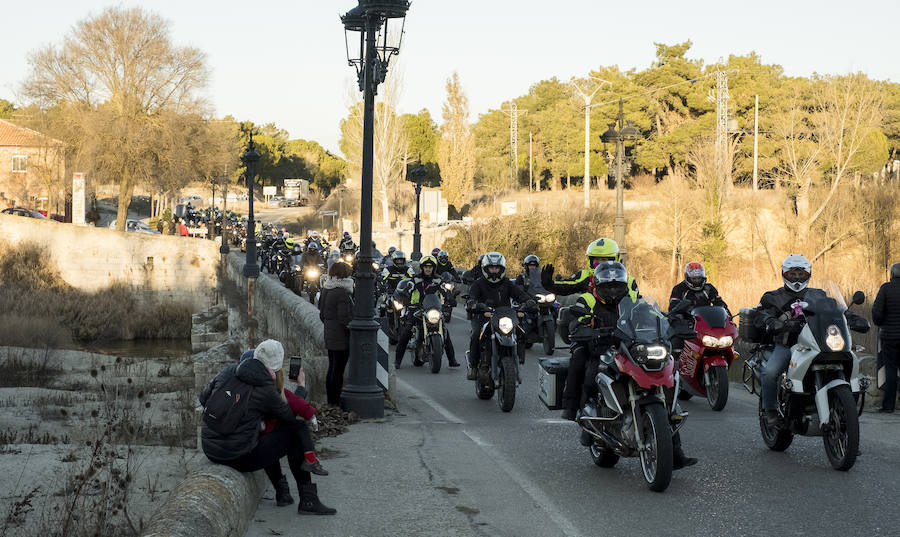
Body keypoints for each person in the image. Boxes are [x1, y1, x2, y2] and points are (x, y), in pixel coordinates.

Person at [567, 262, 697, 469]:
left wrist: (670, 322)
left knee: (667, 377)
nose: (612, 291)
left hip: (631, 346)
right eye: (608, 287)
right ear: (598, 286)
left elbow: (653, 314)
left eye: (617, 286)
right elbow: (576, 319)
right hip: (601, 346)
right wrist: (583, 327)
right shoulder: (588, 299)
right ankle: (583, 414)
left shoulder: (634, 299)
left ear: (624, 286)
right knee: (591, 371)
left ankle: (675, 451)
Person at [200, 340, 335, 515]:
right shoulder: (265, 388)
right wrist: (301, 388)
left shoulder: (228, 372)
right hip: (236, 455)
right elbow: (288, 416)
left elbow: (204, 398)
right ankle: (308, 500)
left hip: (210, 448)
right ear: (277, 366)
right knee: (295, 431)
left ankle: (282, 492)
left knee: (267, 432)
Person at [465, 252, 535, 380]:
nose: (494, 271)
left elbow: (519, 294)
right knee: (476, 335)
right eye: (491, 268)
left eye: (497, 268)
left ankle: (518, 358)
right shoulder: (479, 284)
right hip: (483, 316)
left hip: (504, 316)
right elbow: (472, 297)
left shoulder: (507, 283)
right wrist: (474, 304)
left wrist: (528, 301)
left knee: (521, 331)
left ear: (501, 269)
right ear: (486, 268)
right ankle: (474, 366)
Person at [395, 255, 459, 368]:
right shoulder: (415, 279)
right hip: (416, 309)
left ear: (434, 268)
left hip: (433, 308)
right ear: (422, 268)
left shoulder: (438, 280)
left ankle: (452, 360)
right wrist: (405, 295)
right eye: (426, 267)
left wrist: (450, 298)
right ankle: (398, 360)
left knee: (444, 331)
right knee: (406, 331)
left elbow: (445, 291)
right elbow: (408, 288)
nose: (428, 269)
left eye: (430, 267)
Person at [541, 238, 639, 300]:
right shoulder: (585, 275)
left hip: (622, 324)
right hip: (591, 323)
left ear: (615, 259)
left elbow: (637, 303)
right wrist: (549, 284)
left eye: (603, 260)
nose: (599, 263)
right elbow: (567, 286)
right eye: (596, 260)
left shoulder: (628, 280)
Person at [668, 261, 730, 354]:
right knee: (676, 342)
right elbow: (673, 308)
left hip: (707, 323)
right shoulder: (679, 289)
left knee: (724, 342)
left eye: (699, 278)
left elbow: (720, 303)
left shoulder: (709, 288)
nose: (697, 281)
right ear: (687, 278)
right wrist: (680, 315)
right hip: (686, 324)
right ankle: (676, 365)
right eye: (694, 279)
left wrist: (728, 317)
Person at [319, 262, 354, 406]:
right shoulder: (342, 293)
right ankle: (335, 401)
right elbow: (344, 318)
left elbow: (322, 314)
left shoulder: (327, 288)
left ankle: (330, 401)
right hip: (340, 337)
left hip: (330, 334)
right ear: (344, 274)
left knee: (332, 367)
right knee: (337, 371)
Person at [873, 263, 900, 413]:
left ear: (892, 274)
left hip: (889, 336)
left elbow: (876, 312)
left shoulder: (886, 288)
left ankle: (888, 406)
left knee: (890, 370)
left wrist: (882, 322)